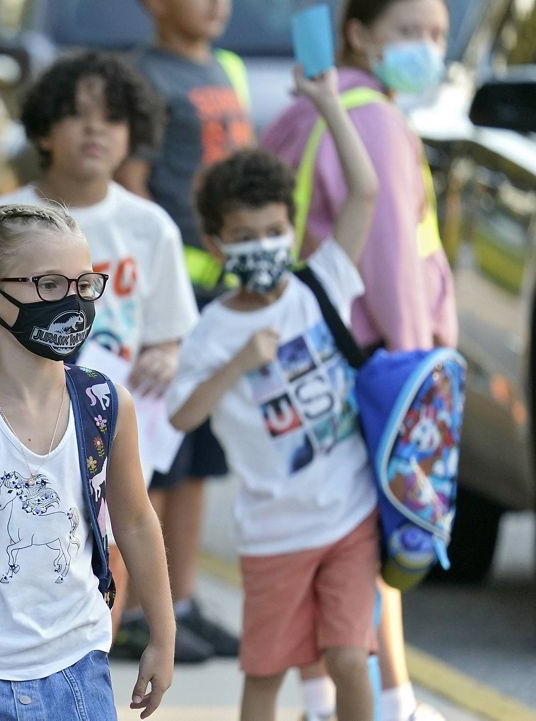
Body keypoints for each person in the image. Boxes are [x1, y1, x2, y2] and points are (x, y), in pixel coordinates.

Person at [0, 51, 197, 643]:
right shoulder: (2, 218)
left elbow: (172, 331)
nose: (95, 130)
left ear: (134, 133)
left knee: (109, 554)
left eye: (112, 118)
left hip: (109, 430)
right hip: (18, 429)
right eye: (76, 115)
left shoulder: (150, 226)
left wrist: (164, 356)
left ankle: (88, 657)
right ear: (41, 129)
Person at [0, 204, 175, 720]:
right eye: (49, 284)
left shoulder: (106, 405)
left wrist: (164, 633)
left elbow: (136, 523)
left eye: (84, 285)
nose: (72, 301)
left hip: (79, 672)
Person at [167, 66, 380, 721]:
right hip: (273, 534)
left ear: (291, 227)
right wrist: (235, 365)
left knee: (349, 657)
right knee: (265, 673)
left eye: (273, 231)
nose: (263, 246)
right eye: (245, 236)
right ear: (216, 244)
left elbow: (365, 193)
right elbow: (182, 413)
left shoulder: (322, 286)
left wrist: (328, 105)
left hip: (349, 514)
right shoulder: (213, 330)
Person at [261, 3, 456, 719]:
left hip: (302, 351)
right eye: (408, 32)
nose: (427, 49)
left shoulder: (305, 110)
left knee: (324, 533)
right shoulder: (374, 118)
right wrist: (415, 362)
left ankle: (331, 695)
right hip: (374, 360)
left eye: (436, 34)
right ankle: (389, 698)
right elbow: (392, 259)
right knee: (372, 537)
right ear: (358, 33)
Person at [113, 0, 255, 664]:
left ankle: (186, 597)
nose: (214, 5)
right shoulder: (142, 78)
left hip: (223, 289)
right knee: (159, 453)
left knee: (198, 451)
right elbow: (135, 189)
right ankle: (139, 604)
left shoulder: (228, 66)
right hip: (173, 289)